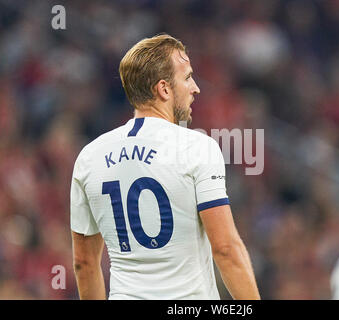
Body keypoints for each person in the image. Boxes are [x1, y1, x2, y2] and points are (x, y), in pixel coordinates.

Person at [70, 34, 260, 300]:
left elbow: (84, 263)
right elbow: (226, 249)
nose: (196, 88)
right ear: (164, 89)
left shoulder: (89, 157)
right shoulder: (196, 147)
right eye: (187, 77)